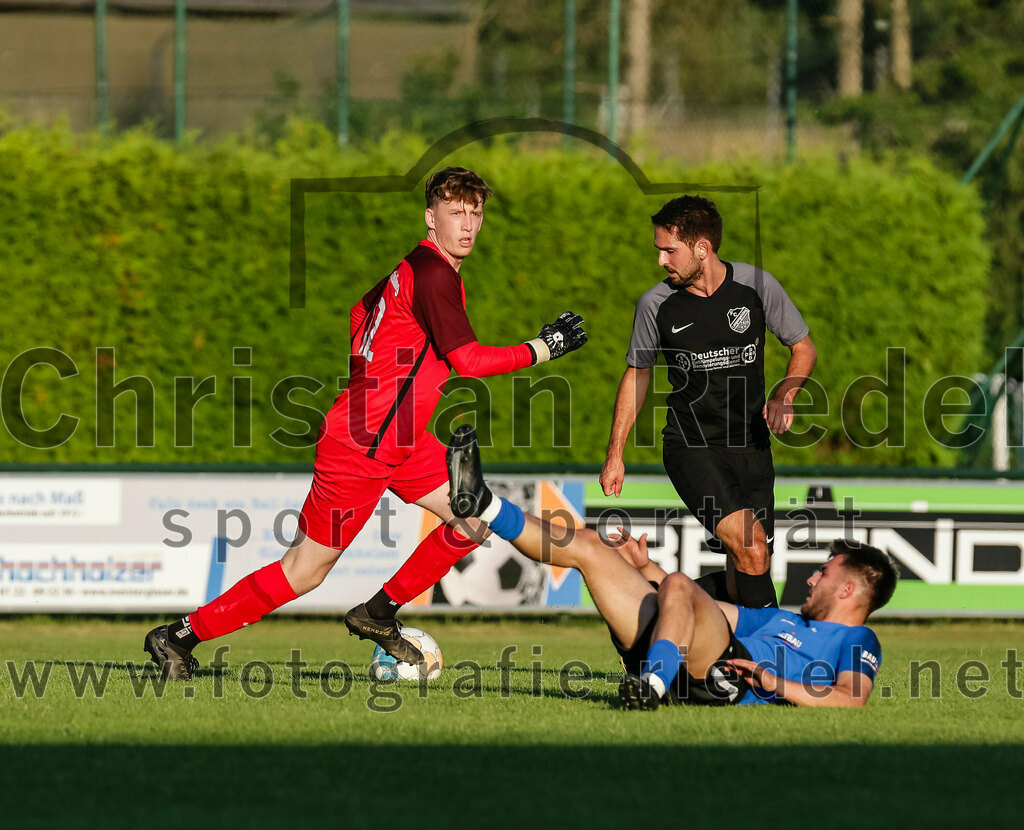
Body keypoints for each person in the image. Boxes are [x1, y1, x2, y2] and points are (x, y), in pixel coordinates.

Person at [144, 167, 588, 680]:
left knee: (471, 518)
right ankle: (179, 636)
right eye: (455, 212)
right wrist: (543, 348)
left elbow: (359, 316)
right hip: (362, 446)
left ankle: (377, 614)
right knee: (303, 572)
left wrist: (376, 385)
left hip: (397, 439)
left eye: (476, 213)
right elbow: (467, 361)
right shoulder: (434, 273)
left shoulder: (412, 270)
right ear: (430, 217)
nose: (467, 224)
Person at [448, 425, 898, 709]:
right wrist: (648, 571)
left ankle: (653, 685)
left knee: (681, 585)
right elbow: (706, 610)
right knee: (589, 546)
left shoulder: (859, 638)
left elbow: (850, 699)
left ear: (848, 591)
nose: (815, 575)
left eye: (826, 572)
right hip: (694, 656)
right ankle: (485, 505)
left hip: (727, 680)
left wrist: (768, 678)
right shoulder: (781, 618)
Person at [600, 196, 817, 609]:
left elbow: (803, 348)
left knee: (750, 564)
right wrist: (615, 453)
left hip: (752, 448)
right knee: (751, 547)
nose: (662, 260)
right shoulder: (656, 305)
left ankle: (664, 608)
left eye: (669, 250)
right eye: (659, 250)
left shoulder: (756, 286)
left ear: (702, 248)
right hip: (692, 446)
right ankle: (773, 654)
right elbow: (637, 374)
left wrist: (784, 394)